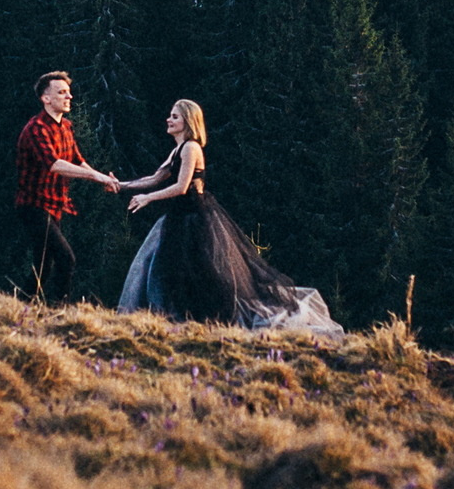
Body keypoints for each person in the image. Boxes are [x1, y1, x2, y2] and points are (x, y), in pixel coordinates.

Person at [115, 98, 342, 336]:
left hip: (194, 219)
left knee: (198, 273)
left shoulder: (191, 148)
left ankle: (195, 320)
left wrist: (148, 198)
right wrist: (120, 186)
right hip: (179, 218)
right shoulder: (177, 150)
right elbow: (154, 178)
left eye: (175, 116)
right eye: (171, 116)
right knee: (165, 271)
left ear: (188, 121)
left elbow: (182, 187)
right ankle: (172, 319)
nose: (169, 120)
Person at [13, 70, 117, 301]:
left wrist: (104, 178)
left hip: (54, 205)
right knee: (65, 258)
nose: (68, 97)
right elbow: (55, 164)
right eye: (61, 92)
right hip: (33, 206)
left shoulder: (66, 126)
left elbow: (76, 159)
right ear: (45, 98)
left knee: (43, 265)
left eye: (68, 92)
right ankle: (59, 311)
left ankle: (22, 308)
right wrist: (98, 178)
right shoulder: (36, 128)